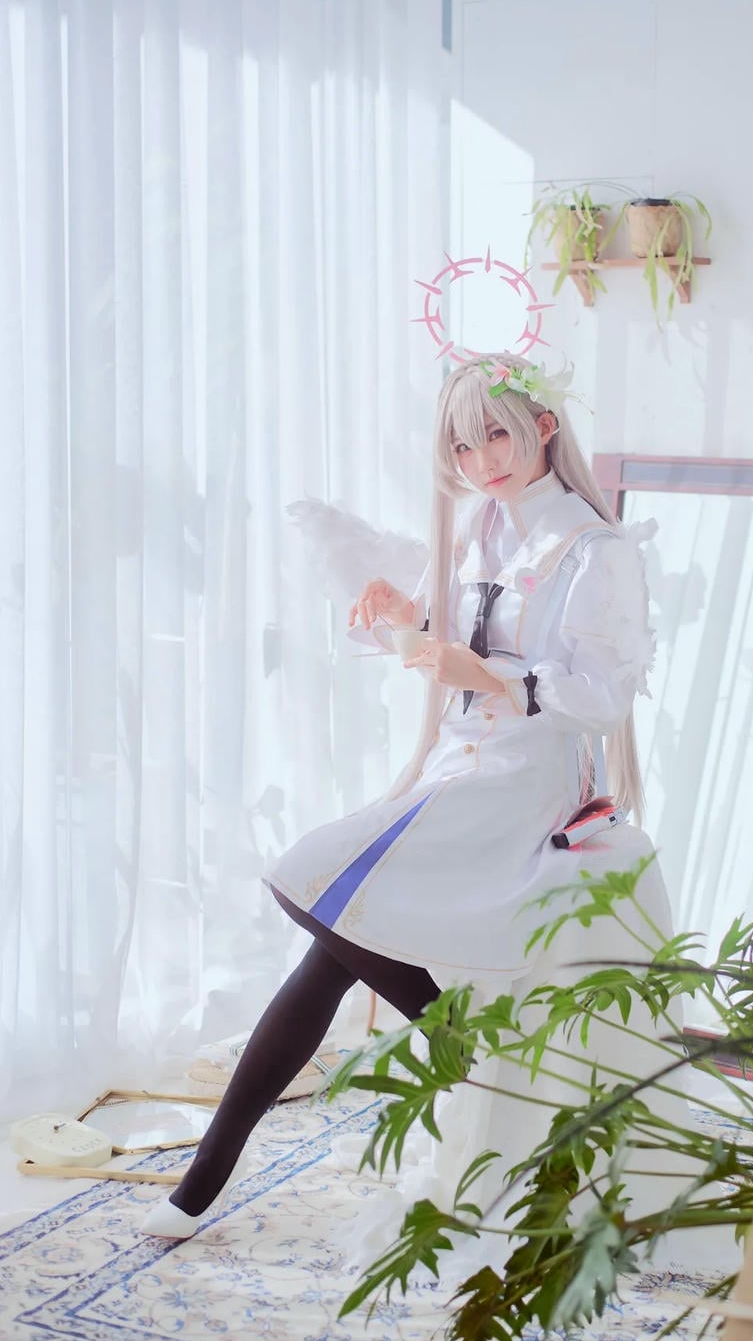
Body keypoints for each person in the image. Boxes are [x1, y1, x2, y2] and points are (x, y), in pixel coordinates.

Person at [141, 352, 663, 1241]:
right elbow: (442, 640)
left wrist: (489, 675)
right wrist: (401, 617)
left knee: (321, 894)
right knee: (330, 926)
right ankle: (219, 1169)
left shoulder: (595, 549)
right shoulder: (477, 528)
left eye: (496, 435)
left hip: (529, 782)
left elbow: (602, 698)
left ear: (543, 426)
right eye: (461, 446)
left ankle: (213, 1173)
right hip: (457, 767)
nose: (480, 461)